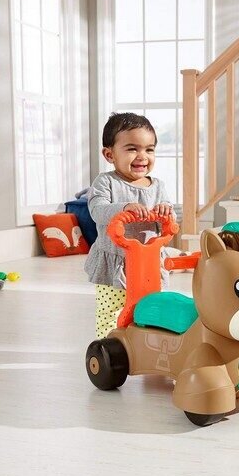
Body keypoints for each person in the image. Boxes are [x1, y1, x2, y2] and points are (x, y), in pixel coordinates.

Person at [85, 112, 174, 339]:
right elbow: (97, 210)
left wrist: (166, 211)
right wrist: (124, 208)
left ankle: (147, 343)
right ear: (110, 154)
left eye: (149, 149)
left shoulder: (158, 186)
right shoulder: (106, 182)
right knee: (111, 311)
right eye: (132, 149)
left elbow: (169, 218)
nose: (142, 156)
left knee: (152, 307)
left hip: (149, 263)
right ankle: (107, 345)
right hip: (116, 262)